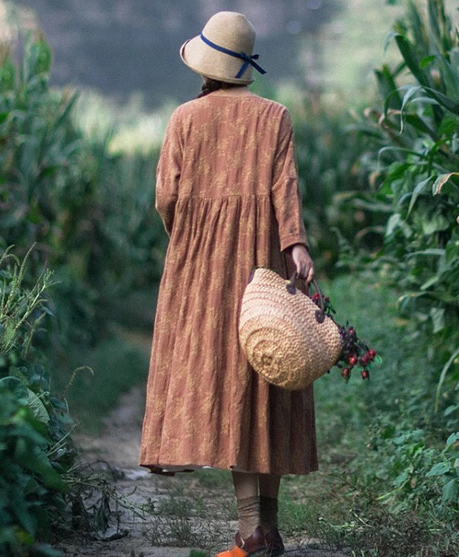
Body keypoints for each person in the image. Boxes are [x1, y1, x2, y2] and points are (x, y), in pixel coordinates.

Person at [139, 11, 317, 557]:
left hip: (198, 268)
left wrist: (192, 238)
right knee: (268, 378)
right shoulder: (275, 117)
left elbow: (165, 198)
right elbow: (284, 188)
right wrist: (295, 243)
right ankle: (270, 525)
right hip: (261, 263)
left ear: (206, 65)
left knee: (227, 383)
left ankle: (249, 530)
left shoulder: (184, 119)